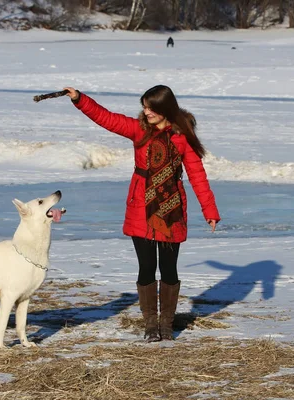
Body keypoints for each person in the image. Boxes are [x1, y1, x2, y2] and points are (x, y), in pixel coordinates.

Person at [64, 85, 220, 342]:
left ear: (165, 109)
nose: (146, 112)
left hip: (171, 209)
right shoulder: (139, 130)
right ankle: (150, 325)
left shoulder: (182, 136)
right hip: (141, 205)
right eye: (144, 106)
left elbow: (197, 176)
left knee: (169, 269)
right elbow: (107, 118)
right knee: (147, 267)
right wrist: (80, 99)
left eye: (151, 107)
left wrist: (209, 210)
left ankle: (167, 325)